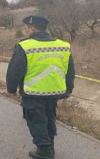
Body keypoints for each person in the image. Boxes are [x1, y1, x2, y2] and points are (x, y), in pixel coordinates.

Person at [6, 15, 75, 159]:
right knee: (49, 118)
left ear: (32, 29)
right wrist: (68, 89)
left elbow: (15, 70)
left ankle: (45, 151)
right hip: (55, 91)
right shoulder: (63, 45)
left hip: (33, 92)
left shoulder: (25, 46)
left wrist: (11, 89)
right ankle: (50, 145)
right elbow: (70, 70)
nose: (25, 31)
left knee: (36, 121)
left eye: (26, 28)